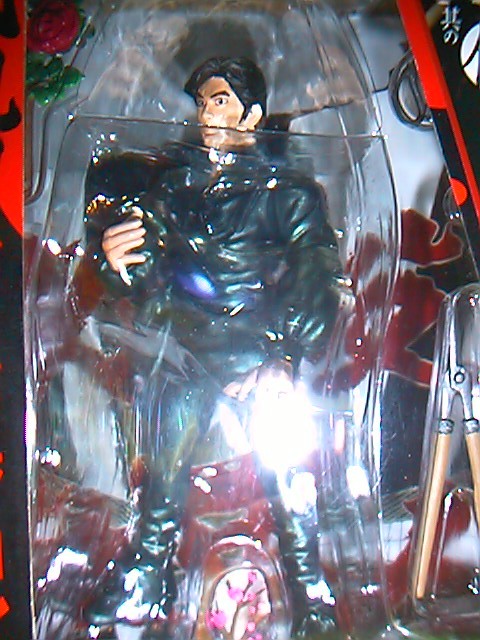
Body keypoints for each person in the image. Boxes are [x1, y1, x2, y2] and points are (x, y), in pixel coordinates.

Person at [65, 57, 344, 638]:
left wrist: (284, 355)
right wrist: (116, 260)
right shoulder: (174, 189)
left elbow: (316, 271)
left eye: (219, 102)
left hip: (259, 351)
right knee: (164, 467)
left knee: (287, 473)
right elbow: (146, 276)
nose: (206, 115)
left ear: (252, 115)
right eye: (202, 104)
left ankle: (309, 591)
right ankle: (147, 573)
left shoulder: (287, 193)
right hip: (186, 351)